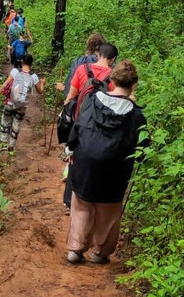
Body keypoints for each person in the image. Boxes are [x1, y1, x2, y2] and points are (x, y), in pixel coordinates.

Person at [65, 60, 147, 265]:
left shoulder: (92, 101)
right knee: (109, 211)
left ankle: (76, 249)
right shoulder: (136, 115)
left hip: (85, 163)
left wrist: (71, 148)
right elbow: (142, 149)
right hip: (116, 170)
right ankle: (100, 253)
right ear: (134, 85)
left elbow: (79, 126)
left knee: (81, 205)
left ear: (111, 80)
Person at [61, 42, 117, 213]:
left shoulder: (81, 70)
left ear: (98, 54)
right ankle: (91, 200)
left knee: (74, 159)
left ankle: (69, 202)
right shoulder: (113, 76)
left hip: (79, 123)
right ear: (113, 59)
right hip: (100, 126)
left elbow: (69, 98)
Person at [0, 53, 44, 152]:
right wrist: (43, 83)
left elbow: (6, 83)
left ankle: (3, 142)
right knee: (16, 123)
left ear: (22, 61)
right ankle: (11, 146)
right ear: (31, 63)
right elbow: (40, 91)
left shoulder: (15, 71)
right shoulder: (34, 76)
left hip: (10, 102)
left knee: (6, 120)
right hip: (22, 105)